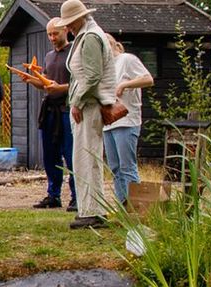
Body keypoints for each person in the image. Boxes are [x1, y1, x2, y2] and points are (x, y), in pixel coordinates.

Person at [58, 0, 117, 228]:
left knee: (87, 159)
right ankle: (89, 209)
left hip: (89, 106)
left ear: (79, 18)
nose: (68, 27)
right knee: (83, 159)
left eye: (70, 22)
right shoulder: (86, 34)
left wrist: (78, 101)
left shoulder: (91, 37)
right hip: (86, 105)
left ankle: (93, 212)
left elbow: (92, 76)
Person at [20, 18, 77, 212]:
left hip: (68, 110)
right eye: (49, 34)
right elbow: (45, 83)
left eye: (56, 33)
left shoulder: (74, 53)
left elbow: (80, 83)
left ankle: (77, 197)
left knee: (70, 155)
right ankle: (53, 195)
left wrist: (60, 88)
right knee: (50, 155)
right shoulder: (49, 56)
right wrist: (30, 80)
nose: (52, 38)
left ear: (66, 31)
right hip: (50, 110)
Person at [104, 34, 153, 205]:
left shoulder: (126, 59)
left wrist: (124, 85)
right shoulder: (105, 67)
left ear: (112, 45)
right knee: (115, 168)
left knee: (127, 166)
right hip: (108, 122)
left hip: (126, 120)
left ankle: (137, 205)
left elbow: (148, 79)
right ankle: (123, 204)